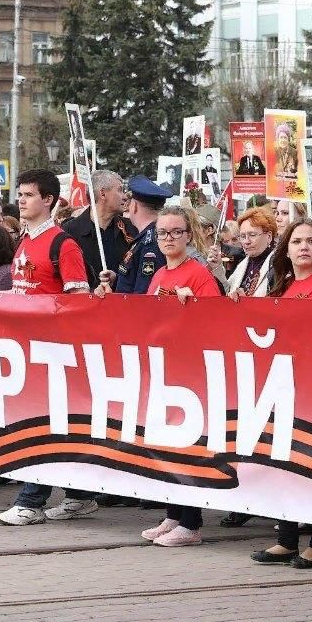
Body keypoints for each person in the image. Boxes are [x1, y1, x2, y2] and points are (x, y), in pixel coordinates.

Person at [249, 218, 312, 569]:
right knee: (285, 465)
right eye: (296, 241)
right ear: (287, 250)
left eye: (310, 241)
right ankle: (287, 539)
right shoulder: (283, 287)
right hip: (286, 387)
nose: (304, 246)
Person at [0, 170, 92, 524]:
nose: (21, 200)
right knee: (52, 425)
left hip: (55, 352)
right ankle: (80, 495)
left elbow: (78, 301)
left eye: (29, 195)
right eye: (19, 194)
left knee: (41, 426)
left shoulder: (62, 244)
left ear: (48, 200)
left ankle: (31, 501)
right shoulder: (24, 242)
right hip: (27, 350)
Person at [127, 205, 223, 547]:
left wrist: (193, 305)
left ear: (188, 234)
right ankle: (173, 513)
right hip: (164, 369)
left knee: (187, 447)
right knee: (166, 445)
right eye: (162, 233)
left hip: (190, 372)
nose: (168, 238)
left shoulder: (198, 274)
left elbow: (216, 321)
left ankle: (191, 522)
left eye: (176, 232)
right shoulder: (159, 275)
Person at [63, 170, 134, 287]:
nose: (124, 197)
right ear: (102, 194)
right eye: (120, 190)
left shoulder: (131, 228)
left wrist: (117, 279)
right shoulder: (70, 231)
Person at [110, 176, 173, 296]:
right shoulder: (148, 237)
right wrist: (117, 279)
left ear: (134, 206)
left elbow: (143, 295)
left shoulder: (150, 243)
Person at [225, 206, 277, 298]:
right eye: (242, 236)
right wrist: (216, 267)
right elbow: (226, 291)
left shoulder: (278, 265)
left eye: (252, 235)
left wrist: (247, 302)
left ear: (269, 236)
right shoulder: (242, 264)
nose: (246, 241)